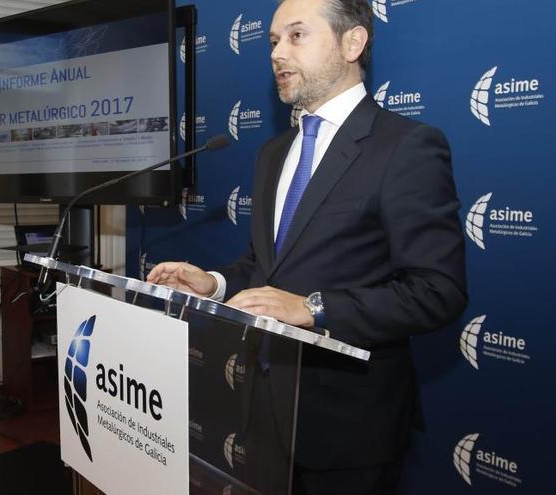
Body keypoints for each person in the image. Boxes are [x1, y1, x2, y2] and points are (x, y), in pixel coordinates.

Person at [146, 0, 467, 492]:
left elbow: (436, 290)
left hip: (349, 427)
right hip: (266, 412)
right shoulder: (274, 152)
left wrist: (314, 308)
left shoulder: (406, 146)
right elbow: (268, 263)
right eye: (273, 41)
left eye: (296, 36)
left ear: (352, 42)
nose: (277, 53)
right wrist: (213, 283)